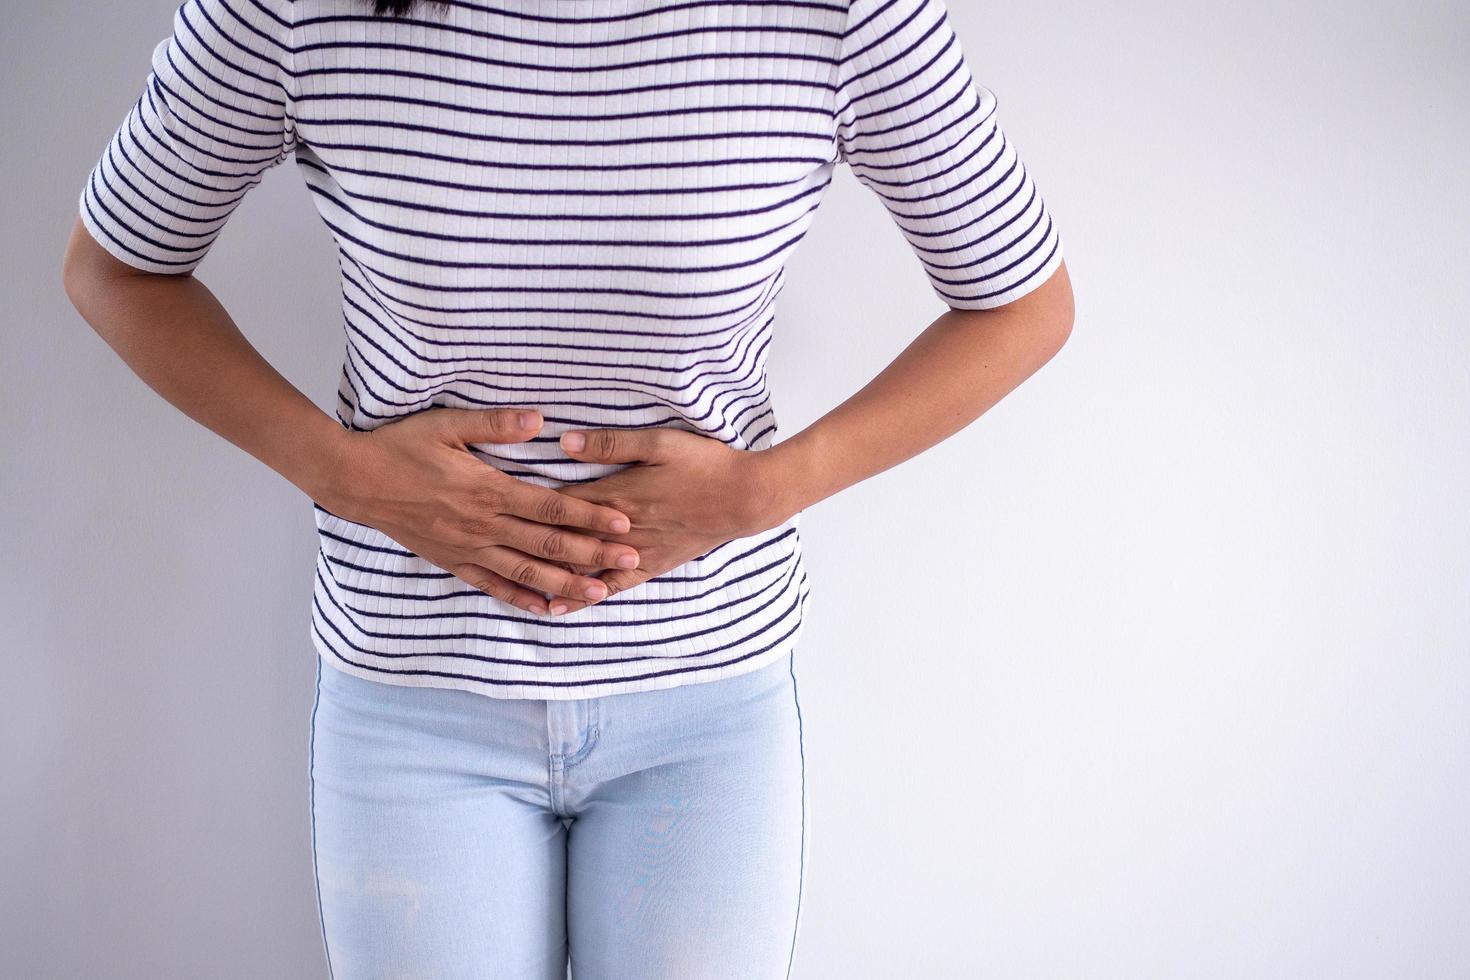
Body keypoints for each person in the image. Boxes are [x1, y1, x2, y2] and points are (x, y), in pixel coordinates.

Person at [61, 0, 1074, 975]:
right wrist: (349, 476)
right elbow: (115, 271)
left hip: (704, 709)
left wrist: (763, 492)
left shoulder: (839, 14)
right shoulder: (298, 9)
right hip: (414, 700)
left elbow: (1024, 303)